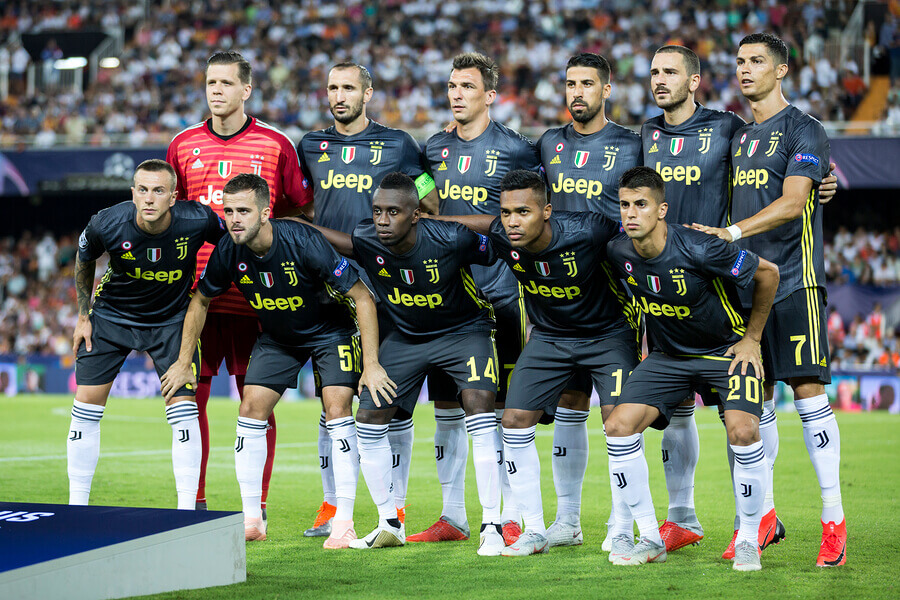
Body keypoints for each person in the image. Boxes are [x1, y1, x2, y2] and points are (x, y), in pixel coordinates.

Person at [644, 44, 839, 557]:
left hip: (796, 281)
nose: (745, 70)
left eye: (756, 62)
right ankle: (764, 517)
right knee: (758, 402)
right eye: (740, 62)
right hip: (746, 293)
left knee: (809, 392)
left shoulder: (804, 127)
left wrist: (731, 231)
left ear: (781, 70)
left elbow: (796, 200)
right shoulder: (738, 134)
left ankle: (833, 519)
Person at [161, 173, 390, 545]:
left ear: (265, 212)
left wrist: (372, 363)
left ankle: (344, 521)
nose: (235, 219)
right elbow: (201, 299)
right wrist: (185, 359)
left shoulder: (304, 241)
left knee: (337, 409)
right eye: (229, 210)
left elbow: (362, 297)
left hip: (330, 331)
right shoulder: (228, 249)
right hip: (279, 337)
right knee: (250, 408)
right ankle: (252, 519)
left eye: (244, 211)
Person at [432, 169, 639, 556]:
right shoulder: (502, 235)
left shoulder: (590, 230)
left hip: (608, 335)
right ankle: (534, 529)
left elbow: (638, 248)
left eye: (523, 212)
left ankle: (622, 527)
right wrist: (429, 220)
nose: (512, 221)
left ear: (546, 211)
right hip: (549, 338)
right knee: (512, 421)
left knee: (618, 425)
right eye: (506, 212)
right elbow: (481, 224)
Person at [310, 172, 505, 554]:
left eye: (394, 212)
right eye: (378, 211)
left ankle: (493, 524)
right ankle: (389, 523)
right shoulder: (367, 239)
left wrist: (442, 221)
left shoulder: (450, 238)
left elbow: (498, 235)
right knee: (368, 418)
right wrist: (287, 225)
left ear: (415, 214)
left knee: (479, 410)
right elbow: (327, 238)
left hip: (465, 331)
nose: (383, 220)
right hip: (407, 336)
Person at [604, 166, 780, 571]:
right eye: (625, 205)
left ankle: (750, 539)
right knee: (617, 426)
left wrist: (752, 339)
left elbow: (767, 273)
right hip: (668, 358)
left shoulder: (700, 248)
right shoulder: (619, 252)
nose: (631, 213)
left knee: (743, 430)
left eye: (641, 205)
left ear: (661, 209)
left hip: (725, 352)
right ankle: (649, 537)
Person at [166, 51, 313, 519]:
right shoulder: (183, 145)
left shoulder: (275, 145)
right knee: (190, 401)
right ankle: (195, 503)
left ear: (246, 89)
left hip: (259, 300)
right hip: (199, 299)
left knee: (258, 404)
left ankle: (258, 507)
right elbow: (172, 218)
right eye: (210, 81)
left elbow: (298, 209)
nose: (216, 90)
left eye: (226, 83)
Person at [297, 62, 438, 537]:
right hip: (329, 285)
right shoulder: (311, 145)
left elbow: (429, 199)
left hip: (385, 285)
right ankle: (332, 504)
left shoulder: (398, 144)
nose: (339, 95)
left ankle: (393, 506)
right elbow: (301, 206)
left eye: (348, 88)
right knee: (331, 399)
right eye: (332, 87)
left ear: (368, 93)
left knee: (388, 401)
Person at [413, 52, 539, 545]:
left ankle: (507, 515)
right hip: (447, 297)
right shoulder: (434, 147)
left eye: (467, 86)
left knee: (499, 407)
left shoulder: (516, 149)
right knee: (447, 407)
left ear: (490, 95)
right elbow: (425, 192)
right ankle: (452, 515)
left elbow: (529, 212)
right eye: (451, 86)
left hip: (500, 293)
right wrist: (429, 210)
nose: (456, 94)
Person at [68, 159, 225, 509]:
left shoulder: (197, 219)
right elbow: (84, 259)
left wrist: (209, 287)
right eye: (142, 190)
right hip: (111, 318)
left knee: (184, 409)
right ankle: (75, 508)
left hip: (172, 322)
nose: (149, 198)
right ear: (133, 193)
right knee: (86, 407)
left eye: (158, 191)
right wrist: (83, 315)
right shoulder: (108, 222)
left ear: (173, 197)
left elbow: (231, 242)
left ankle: (186, 513)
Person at [536, 52, 642, 550]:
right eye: (569, 83)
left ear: (606, 89)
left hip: (614, 298)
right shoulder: (548, 144)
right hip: (558, 301)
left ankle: (622, 523)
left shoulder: (631, 143)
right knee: (568, 404)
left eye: (586, 84)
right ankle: (568, 521)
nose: (576, 92)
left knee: (617, 415)